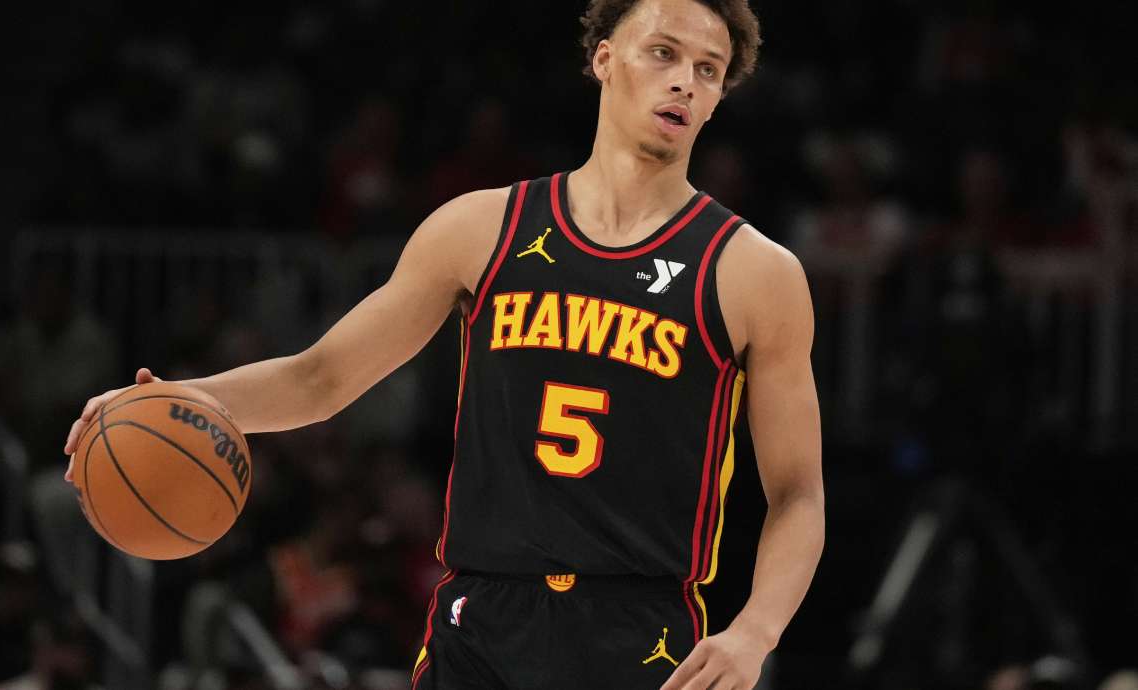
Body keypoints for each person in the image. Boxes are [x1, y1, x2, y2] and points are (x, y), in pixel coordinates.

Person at [63, 0, 824, 687]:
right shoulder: (481, 227)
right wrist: (176, 399)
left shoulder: (754, 272)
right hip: (482, 622)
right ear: (602, 58)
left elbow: (797, 494)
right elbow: (323, 377)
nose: (685, 82)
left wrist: (756, 631)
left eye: (709, 70)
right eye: (663, 52)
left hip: (642, 634)